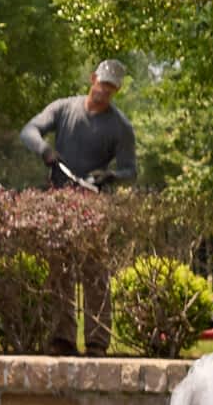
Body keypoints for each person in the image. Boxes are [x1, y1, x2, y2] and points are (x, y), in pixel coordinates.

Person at [19, 60, 139, 355]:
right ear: (92, 78)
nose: (104, 90)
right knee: (58, 272)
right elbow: (29, 130)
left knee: (95, 273)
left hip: (93, 205)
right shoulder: (63, 108)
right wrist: (44, 149)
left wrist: (110, 175)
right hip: (59, 201)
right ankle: (62, 338)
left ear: (116, 90)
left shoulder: (120, 127)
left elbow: (131, 169)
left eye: (110, 87)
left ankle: (97, 341)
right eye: (102, 83)